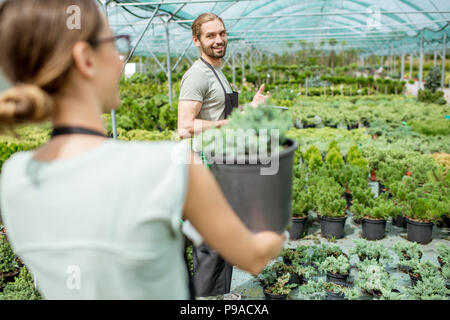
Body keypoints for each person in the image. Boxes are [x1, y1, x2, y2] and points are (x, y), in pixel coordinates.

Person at [0, 0, 284, 300]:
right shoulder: (168, 167)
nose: (121, 58)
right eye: (115, 43)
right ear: (85, 59)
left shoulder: (15, 176)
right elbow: (253, 257)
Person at [177, 13, 271, 298]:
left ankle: (218, 296)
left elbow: (223, 116)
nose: (218, 40)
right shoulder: (196, 75)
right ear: (197, 41)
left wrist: (251, 108)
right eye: (210, 36)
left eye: (222, 33)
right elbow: (184, 127)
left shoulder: (217, 71)